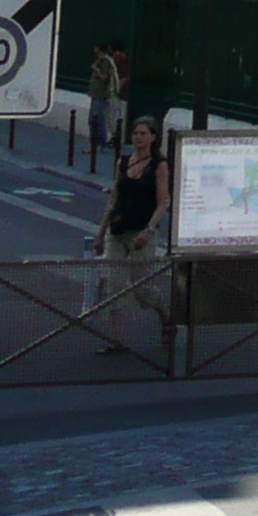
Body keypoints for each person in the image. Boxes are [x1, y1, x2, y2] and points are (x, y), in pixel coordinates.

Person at [90, 115, 170, 356]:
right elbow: (114, 198)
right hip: (118, 229)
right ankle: (116, 341)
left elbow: (163, 202)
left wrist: (149, 230)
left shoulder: (159, 165)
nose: (138, 137)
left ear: (154, 137)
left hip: (141, 232)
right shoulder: (123, 162)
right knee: (114, 284)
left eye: (144, 133)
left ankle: (164, 315)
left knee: (141, 288)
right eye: (136, 133)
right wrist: (100, 232)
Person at [85, 41, 120, 156]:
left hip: (100, 96)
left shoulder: (104, 61)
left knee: (96, 120)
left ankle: (99, 144)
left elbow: (104, 77)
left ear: (98, 49)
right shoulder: (103, 60)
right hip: (98, 95)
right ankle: (98, 144)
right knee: (97, 120)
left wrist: (95, 69)